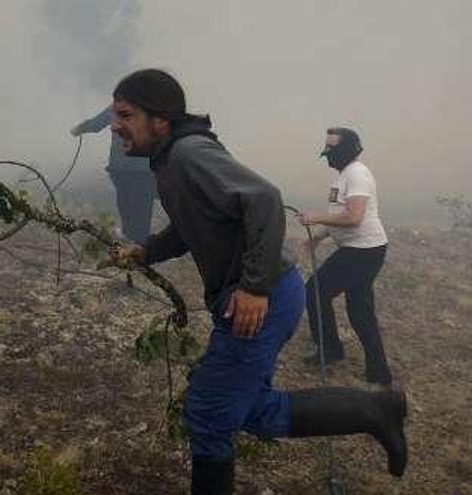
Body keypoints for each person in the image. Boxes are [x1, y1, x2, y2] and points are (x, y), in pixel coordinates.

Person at [109, 70, 407, 494]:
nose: (115, 124)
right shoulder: (170, 162)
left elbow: (263, 199)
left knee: (209, 413)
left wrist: (253, 287)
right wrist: (146, 250)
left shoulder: (189, 153)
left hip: (261, 295)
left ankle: (377, 410)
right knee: (247, 409)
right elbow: (188, 226)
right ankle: (374, 409)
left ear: (160, 120)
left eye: (125, 114)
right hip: (261, 293)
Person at [298, 128, 393, 387]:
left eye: (331, 149)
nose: (327, 154)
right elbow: (339, 215)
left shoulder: (357, 174)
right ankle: (377, 371)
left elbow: (354, 217)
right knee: (358, 309)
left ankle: (331, 351)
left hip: (363, 251)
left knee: (316, 292)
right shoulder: (343, 176)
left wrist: (316, 217)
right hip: (360, 249)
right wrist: (318, 236)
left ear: (346, 150)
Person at [71, 105, 157, 243]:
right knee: (143, 205)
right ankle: (139, 241)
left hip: (122, 168)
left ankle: (131, 237)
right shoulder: (155, 107)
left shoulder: (120, 106)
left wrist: (79, 129)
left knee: (125, 201)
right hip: (145, 169)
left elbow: (96, 124)